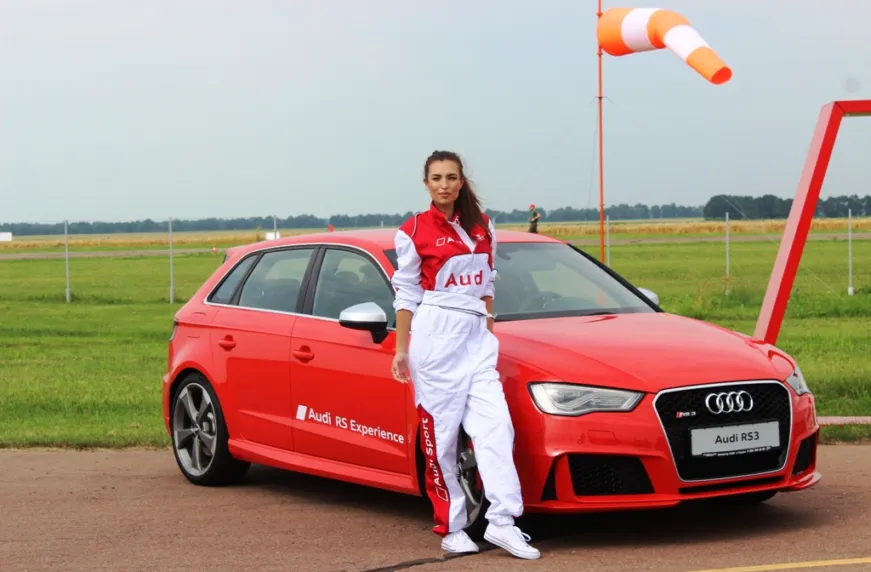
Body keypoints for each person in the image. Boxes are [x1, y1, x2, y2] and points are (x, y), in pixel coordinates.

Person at [390, 150, 540, 560]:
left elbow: (488, 283)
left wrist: (487, 332)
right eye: (436, 178)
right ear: (426, 183)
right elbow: (406, 294)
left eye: (451, 177)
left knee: (496, 429)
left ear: (461, 181)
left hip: (477, 337)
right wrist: (402, 350)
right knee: (441, 440)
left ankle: (503, 521)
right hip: (435, 337)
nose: (444, 185)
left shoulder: (482, 225)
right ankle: (452, 526)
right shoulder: (413, 230)